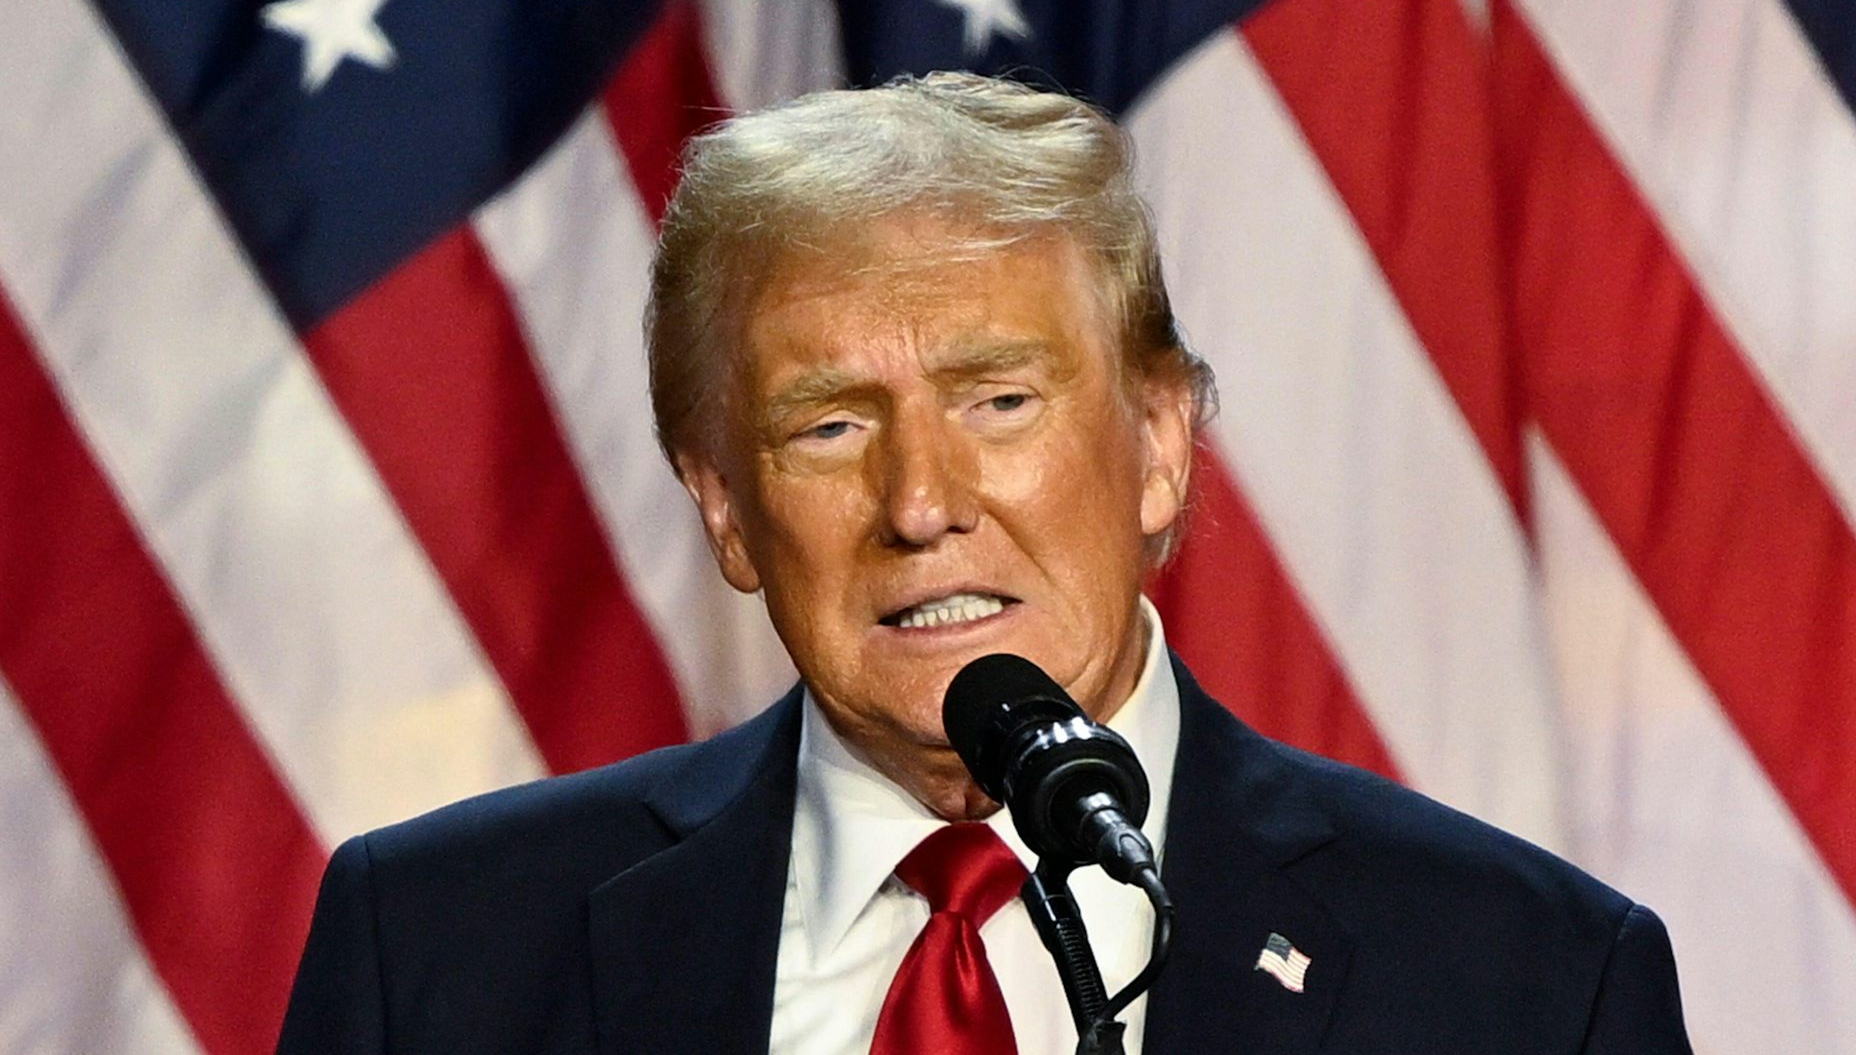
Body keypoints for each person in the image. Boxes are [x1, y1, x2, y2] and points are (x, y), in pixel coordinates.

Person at [276, 72, 1692, 1054]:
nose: (921, 501)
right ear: (722, 506)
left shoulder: (1524, 984)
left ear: (1157, 441)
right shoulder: (441, 954)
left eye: (998, 400)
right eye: (828, 425)